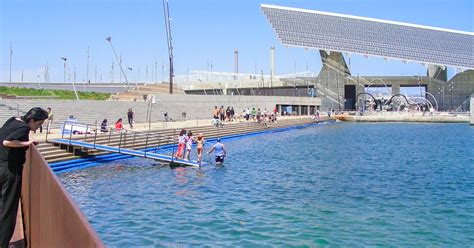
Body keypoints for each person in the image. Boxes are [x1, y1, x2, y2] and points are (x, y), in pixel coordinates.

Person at [0, 107, 48, 247]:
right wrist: (27, 143)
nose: (37, 128)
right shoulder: (24, 128)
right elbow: (7, 142)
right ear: (32, 120)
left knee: (2, 207)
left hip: (1, 166)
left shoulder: (12, 120)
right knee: (8, 209)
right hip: (11, 172)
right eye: (38, 124)